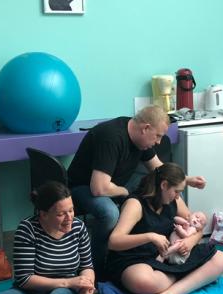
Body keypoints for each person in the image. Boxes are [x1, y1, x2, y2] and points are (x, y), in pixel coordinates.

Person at [67, 105, 207, 277]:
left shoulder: (140, 138)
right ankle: (97, 269)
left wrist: (187, 180)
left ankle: (166, 246)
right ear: (145, 128)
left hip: (114, 185)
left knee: (172, 189)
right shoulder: (111, 138)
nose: (158, 142)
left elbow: (160, 170)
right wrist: (126, 192)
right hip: (83, 187)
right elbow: (99, 188)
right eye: (158, 136)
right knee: (110, 213)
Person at [106, 162, 223, 294]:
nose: (178, 196)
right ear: (164, 185)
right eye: (176, 191)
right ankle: (189, 277)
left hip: (168, 256)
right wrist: (149, 236)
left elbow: (197, 228)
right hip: (137, 258)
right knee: (143, 281)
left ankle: (169, 293)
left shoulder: (174, 200)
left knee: (221, 259)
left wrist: (190, 241)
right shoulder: (135, 204)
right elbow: (114, 241)